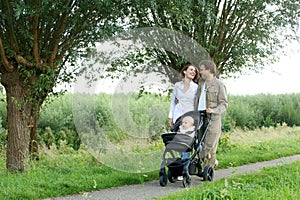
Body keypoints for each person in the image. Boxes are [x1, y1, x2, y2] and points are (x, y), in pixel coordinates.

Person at [194, 60, 228, 169]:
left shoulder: (219, 84)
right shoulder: (201, 83)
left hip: (212, 118)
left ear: (209, 70)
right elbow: (196, 98)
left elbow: (224, 104)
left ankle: (208, 169)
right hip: (200, 116)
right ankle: (211, 164)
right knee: (199, 143)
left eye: (202, 70)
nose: (200, 72)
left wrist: (213, 110)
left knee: (209, 144)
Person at [168, 64, 199, 128]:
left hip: (190, 116)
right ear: (185, 71)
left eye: (195, 71)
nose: (193, 72)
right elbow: (173, 102)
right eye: (191, 70)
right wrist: (170, 116)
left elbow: (198, 103)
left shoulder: (196, 87)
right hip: (177, 115)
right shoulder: (177, 85)